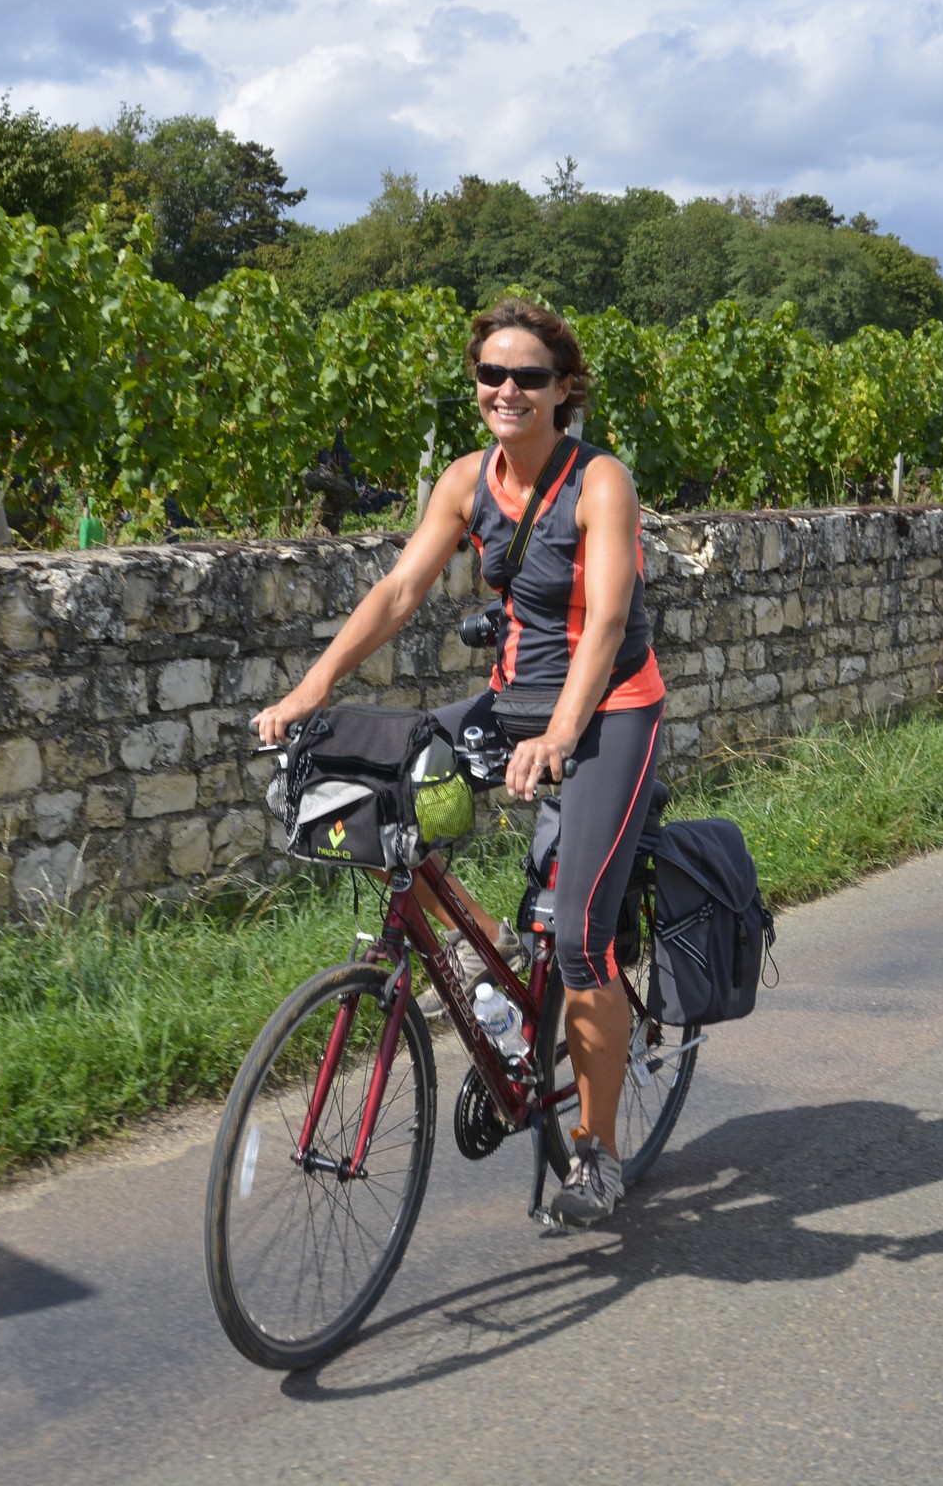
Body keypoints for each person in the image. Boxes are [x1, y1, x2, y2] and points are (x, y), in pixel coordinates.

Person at [253, 297, 666, 1225]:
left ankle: (593, 1155)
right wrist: (312, 687)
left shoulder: (600, 482)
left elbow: (604, 623)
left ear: (565, 389)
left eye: (528, 377)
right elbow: (401, 588)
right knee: (388, 788)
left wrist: (560, 736)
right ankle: (502, 983)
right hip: (510, 700)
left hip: (608, 713)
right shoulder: (465, 479)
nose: (507, 390)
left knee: (582, 939)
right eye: (491, 375)